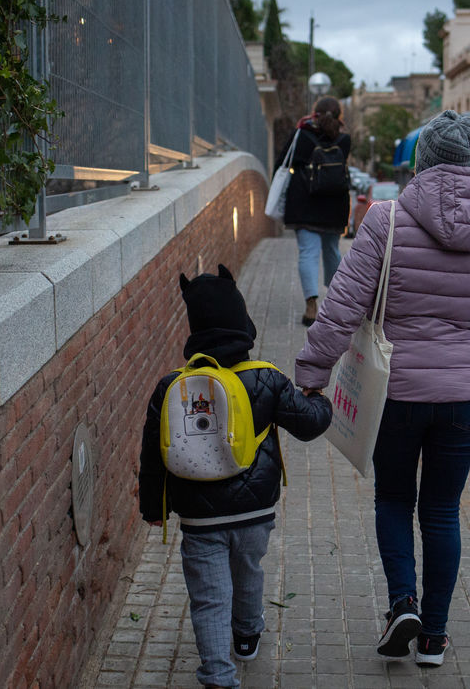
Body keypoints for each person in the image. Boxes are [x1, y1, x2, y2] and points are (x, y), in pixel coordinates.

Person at [293, 110, 470, 667]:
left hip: (397, 394)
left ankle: (402, 604)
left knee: (395, 498)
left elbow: (341, 306)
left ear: (421, 162)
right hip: (466, 399)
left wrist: (311, 374)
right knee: (443, 510)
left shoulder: (388, 219)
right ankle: (434, 638)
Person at [139, 264, 332, 689]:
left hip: (198, 517)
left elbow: (153, 455)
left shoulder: (171, 387)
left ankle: (217, 674)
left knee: (209, 597)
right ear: (241, 321)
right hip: (255, 511)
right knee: (248, 572)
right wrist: (320, 399)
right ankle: (246, 636)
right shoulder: (266, 377)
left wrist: (155, 508)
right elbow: (309, 424)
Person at [275, 96, 352, 326]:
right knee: (331, 251)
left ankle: (311, 306)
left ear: (314, 113)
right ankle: (337, 302)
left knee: (308, 252)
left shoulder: (301, 134)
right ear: (339, 115)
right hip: (334, 205)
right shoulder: (344, 140)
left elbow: (282, 162)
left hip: (304, 203)